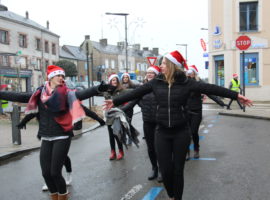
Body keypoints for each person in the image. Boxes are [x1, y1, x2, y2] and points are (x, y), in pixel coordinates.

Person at [104, 50, 252, 200]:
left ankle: (176, 198)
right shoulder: (156, 83)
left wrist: (236, 95)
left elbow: (211, 88)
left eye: (163, 63)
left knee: (178, 170)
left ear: (171, 65)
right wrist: (114, 102)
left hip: (181, 132)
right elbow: (135, 93)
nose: (160, 66)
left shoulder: (187, 83)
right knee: (166, 170)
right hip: (161, 132)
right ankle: (172, 195)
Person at [0, 65, 109, 200]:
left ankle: (63, 197)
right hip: (46, 136)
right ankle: (54, 197)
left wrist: (97, 88)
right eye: (58, 75)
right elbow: (18, 96)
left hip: (62, 135)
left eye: (63, 76)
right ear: (50, 77)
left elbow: (81, 94)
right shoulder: (39, 94)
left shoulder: (67, 93)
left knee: (55, 173)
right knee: (46, 173)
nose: (61, 78)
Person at [16, 103, 105, 192]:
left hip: (63, 134)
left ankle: (68, 174)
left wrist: (99, 119)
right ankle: (48, 181)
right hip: (47, 133)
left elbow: (84, 109)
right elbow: (33, 112)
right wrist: (23, 122)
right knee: (47, 160)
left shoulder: (65, 97)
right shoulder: (42, 99)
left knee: (61, 157)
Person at [185, 65, 227, 159]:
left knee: (194, 131)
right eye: (188, 73)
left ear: (195, 74)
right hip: (186, 111)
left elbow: (210, 93)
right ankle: (186, 152)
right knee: (186, 133)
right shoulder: (184, 83)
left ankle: (196, 149)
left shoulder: (199, 83)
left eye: (191, 73)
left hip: (196, 111)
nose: (189, 75)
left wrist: (220, 102)